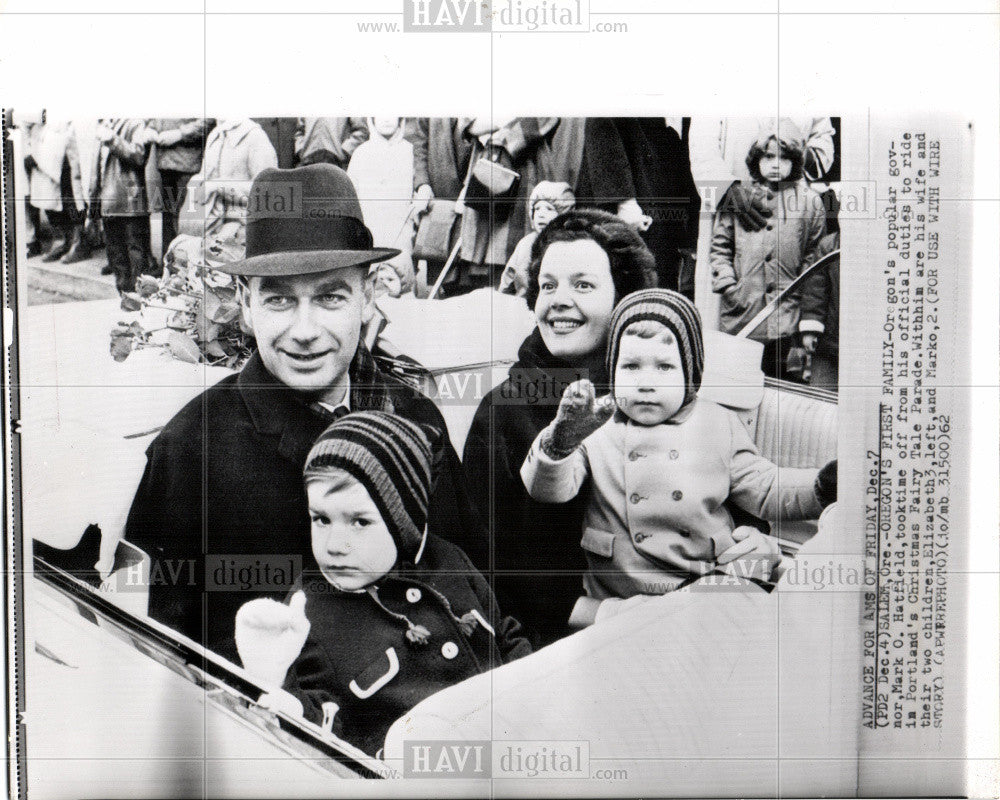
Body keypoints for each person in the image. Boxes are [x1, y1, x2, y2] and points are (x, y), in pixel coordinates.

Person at [124, 164, 487, 664]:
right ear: (247, 307)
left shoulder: (414, 415)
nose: (304, 330)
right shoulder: (192, 448)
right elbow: (159, 648)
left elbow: (469, 579)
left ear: (367, 298)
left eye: (329, 297)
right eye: (279, 300)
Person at [520, 289, 837, 625]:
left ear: (690, 376)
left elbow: (766, 487)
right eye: (630, 366)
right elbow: (551, 491)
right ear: (612, 373)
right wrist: (560, 443)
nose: (645, 382)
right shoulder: (598, 425)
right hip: (626, 591)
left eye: (664, 367)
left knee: (767, 596)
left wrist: (821, 486)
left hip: (706, 577)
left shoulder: (718, 422)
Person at [234, 412, 531, 757]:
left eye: (359, 521)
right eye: (321, 519)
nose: (334, 544)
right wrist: (276, 682)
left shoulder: (449, 560)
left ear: (403, 520)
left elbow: (506, 638)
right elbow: (322, 729)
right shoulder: (308, 611)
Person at [461, 208, 657, 647]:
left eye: (582, 285)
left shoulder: (660, 394)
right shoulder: (502, 413)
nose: (558, 299)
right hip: (561, 639)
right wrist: (603, 612)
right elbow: (492, 568)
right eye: (547, 285)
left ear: (625, 298)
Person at [709, 120, 826, 381]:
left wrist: (801, 296)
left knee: (784, 385)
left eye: (784, 158)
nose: (775, 164)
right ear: (756, 159)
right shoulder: (739, 198)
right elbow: (720, 248)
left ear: (795, 161)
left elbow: (814, 255)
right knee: (738, 384)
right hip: (742, 311)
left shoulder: (810, 202)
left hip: (788, 317)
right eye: (769, 156)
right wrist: (729, 285)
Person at [347, 117, 416, 296]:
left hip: (401, 232)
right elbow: (351, 198)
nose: (387, 119)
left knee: (400, 284)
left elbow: (419, 189)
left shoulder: (410, 151)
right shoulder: (361, 153)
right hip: (370, 232)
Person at [90, 118, 156, 293]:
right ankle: (125, 298)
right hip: (109, 202)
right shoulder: (105, 124)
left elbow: (139, 156)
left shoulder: (135, 123)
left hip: (130, 203)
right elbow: (97, 169)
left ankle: (140, 301)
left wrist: (112, 139)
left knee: (137, 256)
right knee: (116, 255)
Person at [189, 118, 277, 246]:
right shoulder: (215, 134)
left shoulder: (255, 136)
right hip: (211, 221)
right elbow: (206, 175)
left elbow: (266, 191)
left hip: (243, 226)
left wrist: (219, 186)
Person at [147, 117, 215, 255]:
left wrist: (180, 133)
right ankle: (167, 267)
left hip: (187, 165)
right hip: (165, 163)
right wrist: (150, 127)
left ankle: (187, 267)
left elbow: (208, 119)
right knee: (167, 218)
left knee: (186, 220)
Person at [498, 180, 575, 298]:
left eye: (549, 209)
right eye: (537, 209)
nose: (541, 214)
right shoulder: (526, 243)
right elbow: (509, 278)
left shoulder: (568, 245)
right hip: (522, 306)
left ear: (563, 215)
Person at [294, 117, 369, 169]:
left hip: (337, 165)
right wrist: (302, 151)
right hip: (308, 163)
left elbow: (362, 131)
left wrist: (343, 153)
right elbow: (299, 131)